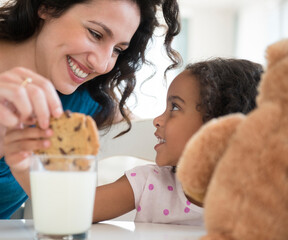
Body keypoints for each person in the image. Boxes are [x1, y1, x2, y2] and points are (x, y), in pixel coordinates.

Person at [0, 0, 181, 220]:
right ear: (47, 6)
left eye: (117, 50)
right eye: (95, 33)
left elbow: (154, 132)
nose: (103, 64)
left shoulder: (85, 103)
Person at [92, 58, 263, 225]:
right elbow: (71, 210)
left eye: (174, 107)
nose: (157, 120)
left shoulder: (264, 200)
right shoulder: (149, 183)